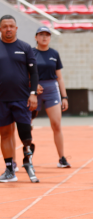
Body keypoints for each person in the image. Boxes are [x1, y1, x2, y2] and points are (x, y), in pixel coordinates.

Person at [0, 15, 39, 183]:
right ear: (0, 29)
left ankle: (28, 161)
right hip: (1, 100)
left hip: (22, 98)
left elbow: (34, 73)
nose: (8, 29)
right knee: (5, 134)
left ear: (16, 28)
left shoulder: (25, 47)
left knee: (26, 135)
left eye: (11, 26)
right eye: (4, 26)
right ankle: (9, 169)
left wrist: (33, 93)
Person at [32, 26, 71, 168]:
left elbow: (59, 78)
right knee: (26, 125)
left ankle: (61, 158)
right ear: (36, 37)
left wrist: (64, 97)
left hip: (51, 89)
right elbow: (24, 73)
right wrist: (32, 85)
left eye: (47, 35)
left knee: (56, 125)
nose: (44, 37)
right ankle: (27, 157)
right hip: (34, 90)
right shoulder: (30, 53)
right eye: (41, 34)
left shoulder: (54, 53)